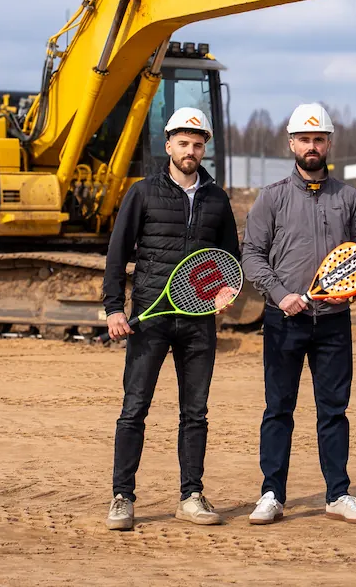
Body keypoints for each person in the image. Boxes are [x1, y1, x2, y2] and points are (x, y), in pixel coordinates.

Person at [101, 107, 240, 531]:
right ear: (168, 146)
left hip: (198, 321)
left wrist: (225, 291)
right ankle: (122, 498)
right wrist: (114, 308)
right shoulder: (142, 193)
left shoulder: (217, 199)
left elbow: (229, 257)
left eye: (197, 144)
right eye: (183, 143)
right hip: (150, 319)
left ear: (204, 149)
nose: (190, 151)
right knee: (134, 409)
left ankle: (191, 496)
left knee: (195, 413)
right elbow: (117, 253)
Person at [241, 103, 356, 525]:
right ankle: (271, 494)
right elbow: (252, 254)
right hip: (283, 321)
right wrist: (281, 295)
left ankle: (338, 494)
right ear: (291, 143)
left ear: (329, 143)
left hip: (333, 322)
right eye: (304, 139)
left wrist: (352, 284)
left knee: (333, 411)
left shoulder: (348, 197)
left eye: (319, 139)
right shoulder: (272, 196)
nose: (312, 146)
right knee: (278, 409)